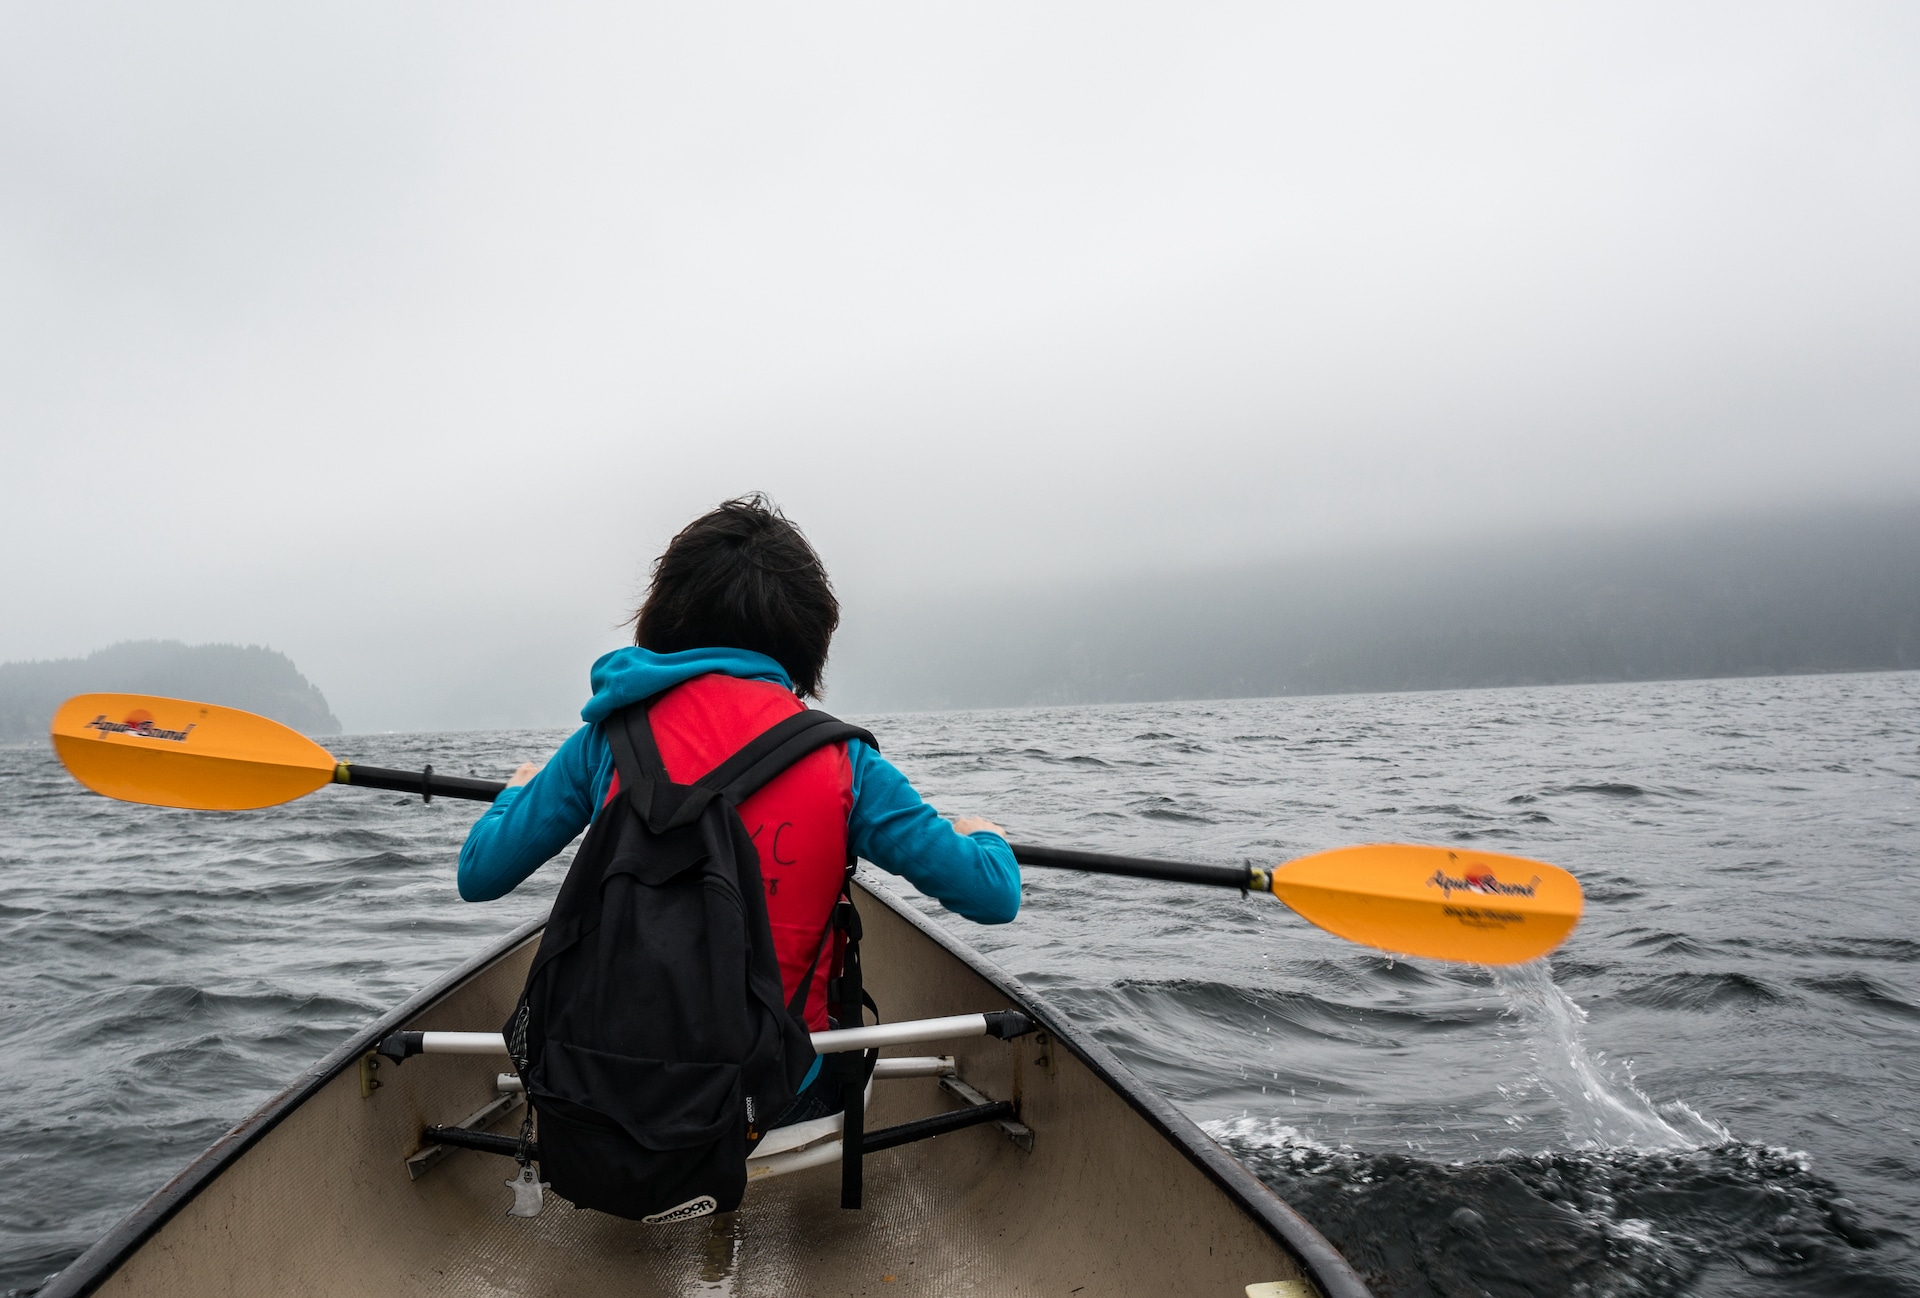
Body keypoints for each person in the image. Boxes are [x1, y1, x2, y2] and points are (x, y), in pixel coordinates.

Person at [457, 494, 1020, 1123]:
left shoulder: (606, 741)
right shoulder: (845, 763)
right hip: (771, 1097)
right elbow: (994, 897)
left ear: (666, 614)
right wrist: (987, 837)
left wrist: (516, 791)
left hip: (607, 1088)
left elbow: (479, 873)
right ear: (806, 633)